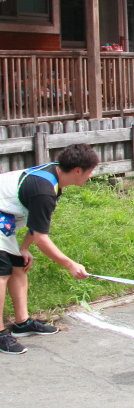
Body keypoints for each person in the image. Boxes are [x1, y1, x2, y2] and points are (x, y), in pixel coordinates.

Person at [0, 143, 98, 355]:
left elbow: (36, 223)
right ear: (77, 170)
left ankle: (22, 323)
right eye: (90, 171)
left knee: (18, 265)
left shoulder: (55, 180)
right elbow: (42, 239)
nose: (90, 176)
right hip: (2, 214)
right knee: (2, 272)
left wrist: (23, 248)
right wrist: (70, 264)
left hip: (6, 215)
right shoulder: (44, 190)